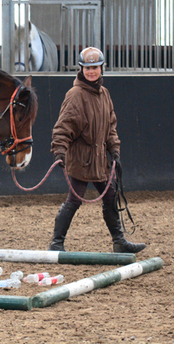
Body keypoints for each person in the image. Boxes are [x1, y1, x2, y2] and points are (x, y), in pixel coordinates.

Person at [50, 47, 145, 253]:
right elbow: (63, 126)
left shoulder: (105, 94)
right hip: (81, 159)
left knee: (110, 197)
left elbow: (111, 126)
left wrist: (115, 150)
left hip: (101, 160)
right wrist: (60, 151)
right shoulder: (75, 95)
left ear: (102, 68)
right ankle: (56, 244)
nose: (91, 71)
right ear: (81, 69)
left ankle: (119, 241)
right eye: (87, 68)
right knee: (74, 201)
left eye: (95, 67)